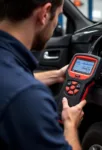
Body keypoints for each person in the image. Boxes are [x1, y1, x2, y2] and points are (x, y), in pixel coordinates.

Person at [0, 0, 86, 150]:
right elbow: (20, 90)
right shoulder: (29, 97)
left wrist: (58, 75)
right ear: (44, 13)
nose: (56, 25)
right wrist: (70, 125)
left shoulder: (9, 72)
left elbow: (11, 81)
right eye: (58, 16)